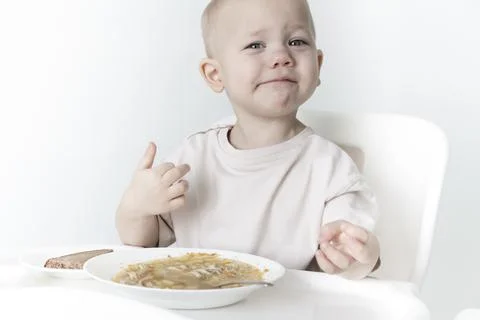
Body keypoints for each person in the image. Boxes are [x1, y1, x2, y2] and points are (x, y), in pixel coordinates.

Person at [115, 0, 381, 280]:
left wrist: (360, 256)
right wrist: (136, 208)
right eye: (256, 45)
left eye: (297, 41)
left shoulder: (331, 169)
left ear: (317, 64)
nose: (281, 56)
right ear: (216, 74)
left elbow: (353, 256)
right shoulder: (193, 159)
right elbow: (143, 244)